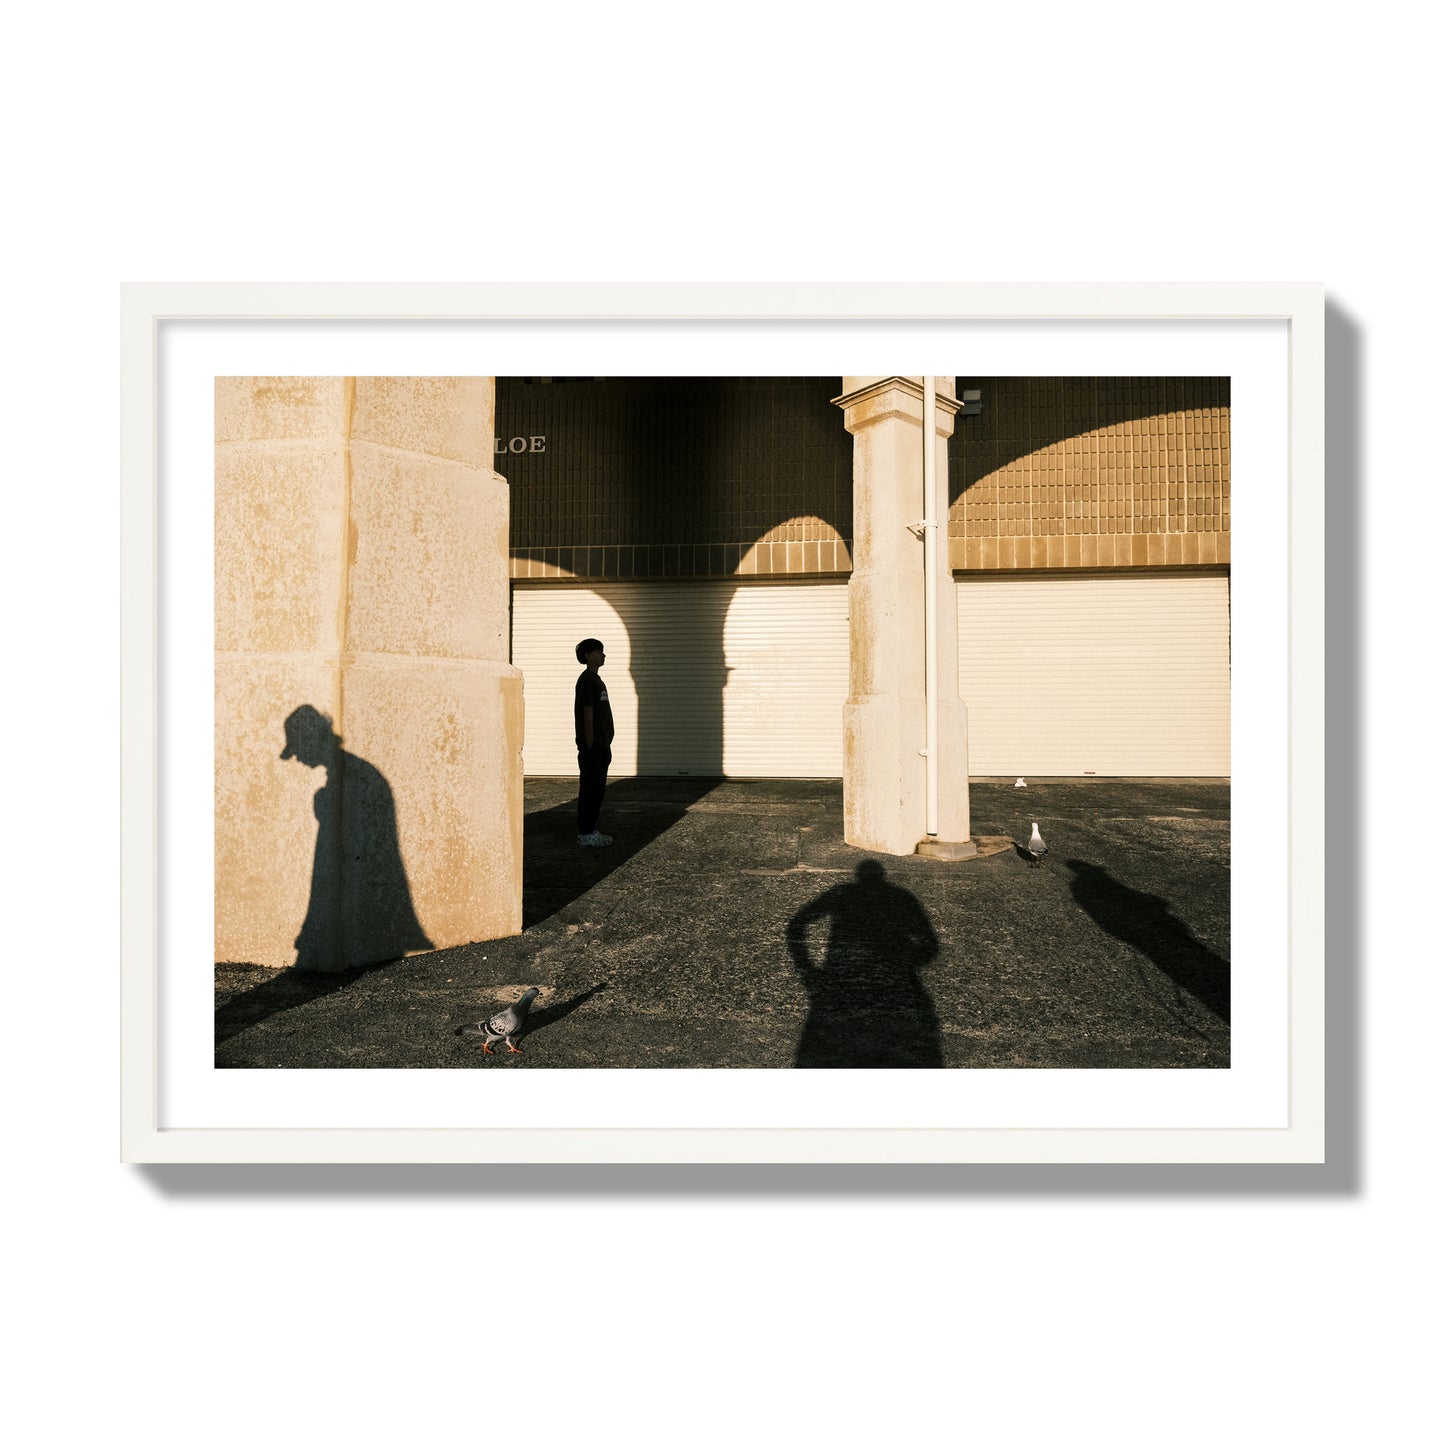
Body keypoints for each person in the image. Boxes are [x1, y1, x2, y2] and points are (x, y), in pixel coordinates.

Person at [573, 638, 614, 846]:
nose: (603, 655)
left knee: (597, 789)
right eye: (598, 652)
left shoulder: (596, 680)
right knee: (590, 789)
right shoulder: (587, 680)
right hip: (594, 746)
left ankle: (591, 829)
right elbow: (587, 713)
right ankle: (587, 833)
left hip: (601, 744)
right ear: (588, 655)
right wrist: (590, 745)